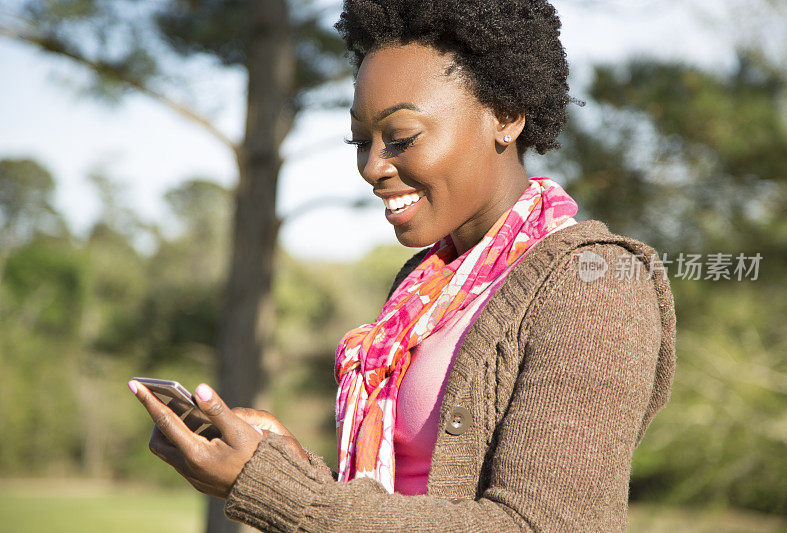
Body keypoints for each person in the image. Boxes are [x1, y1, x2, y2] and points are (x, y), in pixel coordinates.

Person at [129, 0, 676, 530]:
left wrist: (278, 490)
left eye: (401, 137)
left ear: (505, 116)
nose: (372, 167)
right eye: (360, 141)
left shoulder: (597, 286)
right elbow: (404, 497)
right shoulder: (426, 288)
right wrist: (287, 465)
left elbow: (544, 526)